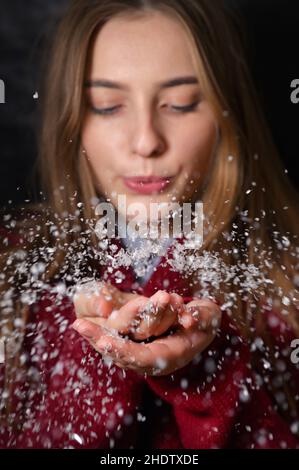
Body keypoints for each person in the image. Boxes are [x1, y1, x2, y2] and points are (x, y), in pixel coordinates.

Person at [0, 0, 298, 449]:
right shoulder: (11, 274)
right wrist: (98, 352)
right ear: (72, 120)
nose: (146, 141)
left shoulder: (285, 282)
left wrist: (206, 372)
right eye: (107, 105)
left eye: (180, 104)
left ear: (225, 114)